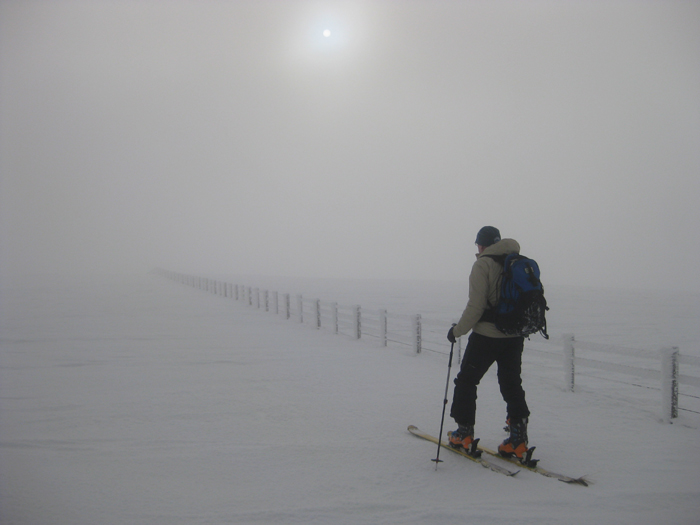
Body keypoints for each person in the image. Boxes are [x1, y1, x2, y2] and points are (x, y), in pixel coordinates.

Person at [446, 226, 530, 459]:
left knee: (466, 381)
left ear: (482, 245)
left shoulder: (482, 265)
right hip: (513, 336)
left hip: (487, 337)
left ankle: (463, 433)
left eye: (478, 245)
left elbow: (476, 307)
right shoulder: (515, 261)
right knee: (511, 383)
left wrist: (456, 331)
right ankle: (518, 439)